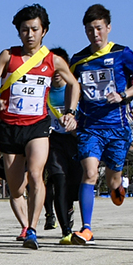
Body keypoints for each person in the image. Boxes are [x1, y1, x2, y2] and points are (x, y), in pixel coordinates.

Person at [0, 5, 80, 249]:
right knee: (16, 188)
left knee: (37, 174)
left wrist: (70, 112)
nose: (29, 34)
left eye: (34, 29)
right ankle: (26, 223)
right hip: (10, 126)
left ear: (44, 31)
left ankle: (33, 229)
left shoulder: (53, 60)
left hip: (37, 125)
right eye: (24, 30)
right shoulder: (8, 56)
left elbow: (74, 84)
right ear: (18, 32)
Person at [68, 4, 133, 245]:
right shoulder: (79, 60)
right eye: (90, 29)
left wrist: (123, 95)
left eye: (99, 28)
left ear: (108, 28)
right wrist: (71, 112)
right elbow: (75, 88)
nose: (95, 34)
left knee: (113, 178)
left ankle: (117, 185)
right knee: (90, 173)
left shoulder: (122, 53)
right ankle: (86, 228)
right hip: (90, 126)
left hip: (118, 126)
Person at [42, 47, 83, 244]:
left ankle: (69, 209)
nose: (56, 74)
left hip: (75, 141)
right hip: (53, 141)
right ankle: (66, 230)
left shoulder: (75, 90)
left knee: (74, 185)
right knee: (59, 182)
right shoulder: (44, 90)